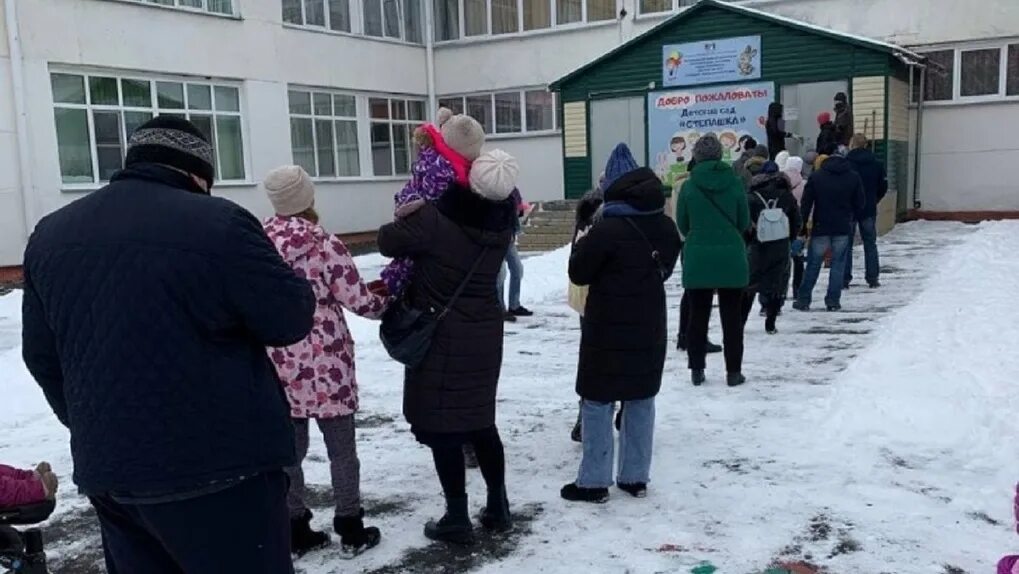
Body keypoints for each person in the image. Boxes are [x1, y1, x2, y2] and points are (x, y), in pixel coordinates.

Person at [21, 116, 315, 573]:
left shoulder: (51, 234)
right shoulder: (220, 224)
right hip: (223, 471)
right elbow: (289, 318)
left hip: (114, 474)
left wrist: (95, 422)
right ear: (199, 173)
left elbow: (41, 356)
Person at [377, 149, 519, 545]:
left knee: (444, 428)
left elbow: (387, 241)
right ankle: (499, 506)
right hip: (484, 335)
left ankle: (457, 516)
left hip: (441, 336)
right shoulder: (503, 227)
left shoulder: (435, 220)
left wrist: (410, 210)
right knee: (481, 421)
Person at [261, 166, 391, 557]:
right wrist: (388, 300)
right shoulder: (325, 245)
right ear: (308, 199)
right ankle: (350, 526)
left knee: (288, 452)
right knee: (341, 450)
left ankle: (295, 526)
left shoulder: (258, 244)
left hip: (280, 359)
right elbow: (360, 301)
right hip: (327, 361)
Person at [561, 144, 681, 503]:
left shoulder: (606, 229)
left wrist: (582, 244)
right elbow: (668, 265)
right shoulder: (665, 225)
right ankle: (635, 477)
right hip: (649, 323)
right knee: (641, 398)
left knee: (597, 400)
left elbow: (578, 273)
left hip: (606, 326)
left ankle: (594, 482)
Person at [381, 109, 485, 297]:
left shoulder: (441, 160)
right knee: (409, 268)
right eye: (476, 149)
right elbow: (437, 209)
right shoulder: (443, 171)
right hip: (422, 231)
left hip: (419, 228)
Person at [675, 135, 751, 388]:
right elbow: (743, 221)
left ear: (696, 156)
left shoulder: (688, 186)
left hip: (698, 256)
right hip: (731, 256)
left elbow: (683, 224)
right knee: (732, 318)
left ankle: (697, 369)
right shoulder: (735, 183)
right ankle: (733, 372)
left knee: (698, 316)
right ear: (720, 155)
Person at [794, 146, 865, 312]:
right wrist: (851, 216)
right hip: (842, 226)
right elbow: (860, 203)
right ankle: (833, 300)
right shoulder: (853, 177)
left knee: (813, 264)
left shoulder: (817, 176)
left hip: (821, 225)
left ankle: (804, 299)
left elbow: (806, 203)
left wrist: (803, 225)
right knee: (838, 264)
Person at [745, 162, 801, 334]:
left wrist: (749, 240)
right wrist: (789, 238)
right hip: (780, 245)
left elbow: (744, 221)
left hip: (757, 245)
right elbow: (796, 221)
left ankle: (741, 319)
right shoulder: (787, 196)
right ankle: (771, 321)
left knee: (750, 283)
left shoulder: (752, 196)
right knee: (776, 284)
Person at [569, 187, 605, 444]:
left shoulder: (581, 230)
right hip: (607, 303)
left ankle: (585, 416)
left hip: (586, 305)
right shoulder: (605, 229)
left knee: (591, 360)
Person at [844, 134, 888, 289]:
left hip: (849, 208)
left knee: (846, 244)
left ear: (852, 145)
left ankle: (844, 278)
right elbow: (883, 186)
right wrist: (874, 199)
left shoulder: (847, 163)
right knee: (870, 243)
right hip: (868, 207)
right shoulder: (876, 163)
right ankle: (872, 277)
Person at [498, 188, 534, 321]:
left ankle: (514, 305)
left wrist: (520, 211)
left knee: (517, 269)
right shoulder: (493, 191)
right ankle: (499, 309)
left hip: (509, 235)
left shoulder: (513, 191)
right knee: (500, 274)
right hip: (497, 236)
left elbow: (517, 211)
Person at [783, 156, 808, 293]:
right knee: (798, 259)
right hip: (798, 225)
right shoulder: (804, 184)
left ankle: (781, 289)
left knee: (783, 261)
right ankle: (797, 289)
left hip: (781, 226)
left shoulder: (780, 181)